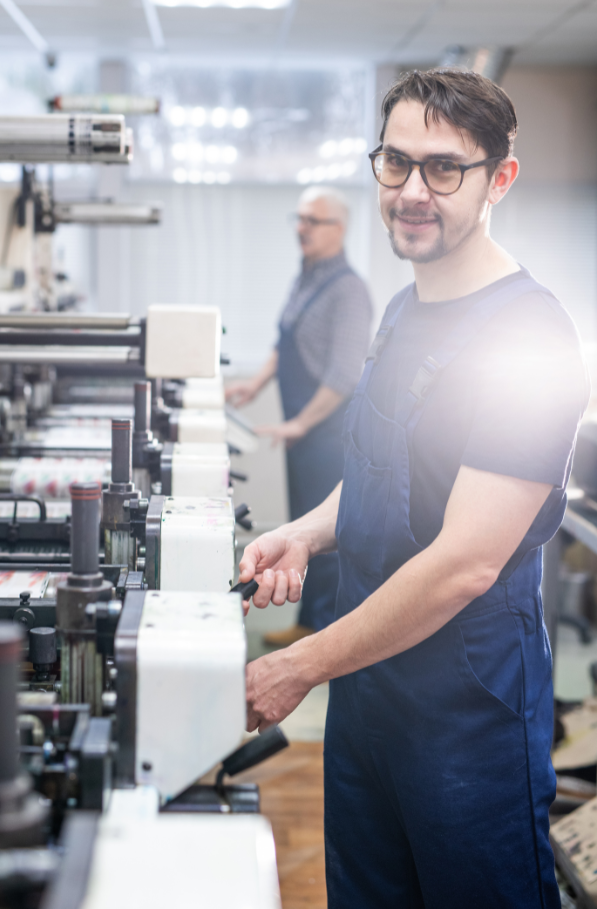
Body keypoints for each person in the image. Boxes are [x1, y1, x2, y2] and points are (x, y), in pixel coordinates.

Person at [238, 69, 590, 908]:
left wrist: (301, 664)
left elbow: (467, 560)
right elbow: (378, 470)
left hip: (464, 712)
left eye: (444, 168)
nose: (412, 191)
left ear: (500, 177)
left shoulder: (530, 339)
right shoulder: (401, 311)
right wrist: (309, 530)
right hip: (371, 692)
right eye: (395, 163)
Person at [226, 186, 371, 644]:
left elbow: (343, 374)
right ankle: (308, 621)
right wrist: (256, 383)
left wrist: (301, 422)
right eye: (300, 218)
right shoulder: (306, 276)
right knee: (303, 524)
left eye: (313, 220)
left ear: (340, 229)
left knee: (325, 533)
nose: (301, 228)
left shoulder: (348, 290)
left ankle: (321, 629)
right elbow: (283, 340)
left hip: (330, 434)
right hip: (306, 432)